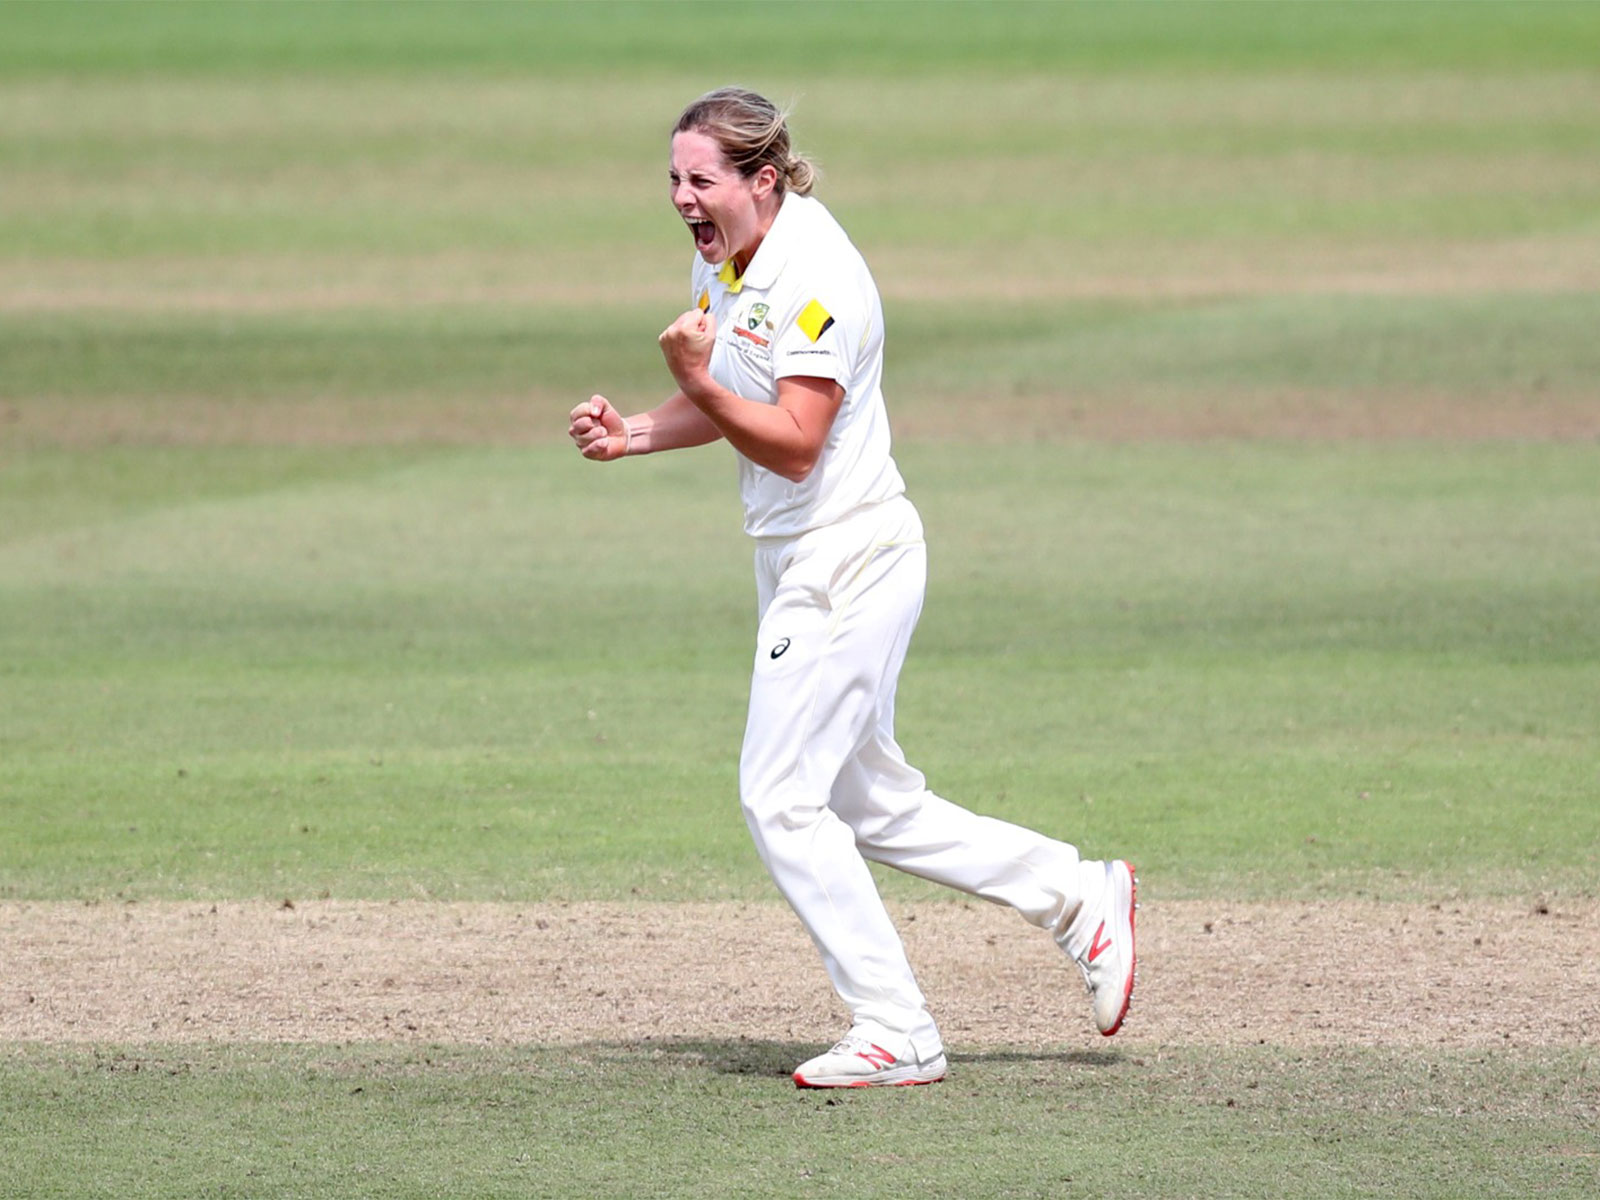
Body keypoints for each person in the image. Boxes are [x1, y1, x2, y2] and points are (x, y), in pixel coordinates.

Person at [568, 87, 1137, 1088]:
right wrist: (642, 430)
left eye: (701, 180)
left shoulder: (817, 275)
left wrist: (696, 387)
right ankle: (1075, 895)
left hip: (844, 558)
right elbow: (740, 385)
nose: (681, 199)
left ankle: (896, 1028)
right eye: (672, 179)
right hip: (802, 558)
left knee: (778, 798)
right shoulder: (727, 260)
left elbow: (793, 442)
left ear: (763, 178)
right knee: (866, 804)